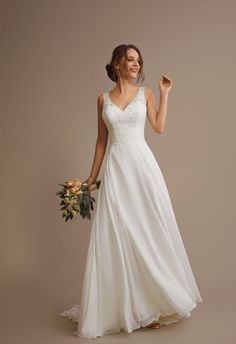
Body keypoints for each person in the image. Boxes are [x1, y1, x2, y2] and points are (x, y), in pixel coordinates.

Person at [60, 44, 203, 339]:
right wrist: (91, 177)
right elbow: (101, 142)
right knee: (119, 234)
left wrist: (164, 94)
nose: (136, 64)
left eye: (138, 60)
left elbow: (159, 127)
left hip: (142, 169)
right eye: (130, 59)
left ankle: (152, 305)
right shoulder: (103, 100)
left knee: (146, 231)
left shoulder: (146, 93)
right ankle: (128, 307)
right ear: (117, 63)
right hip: (116, 170)